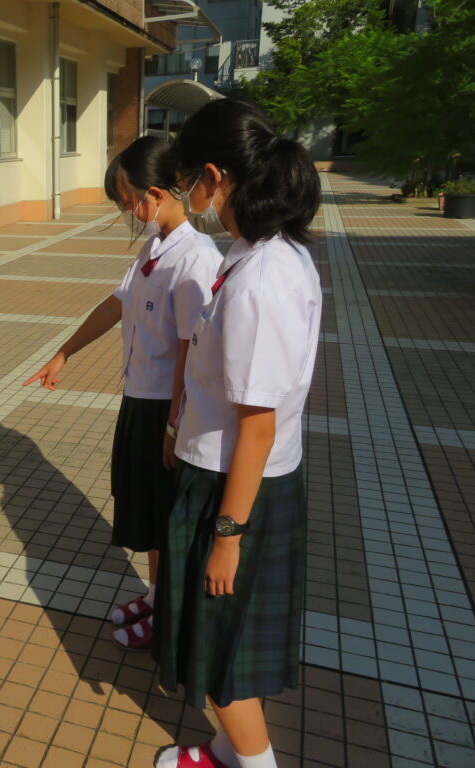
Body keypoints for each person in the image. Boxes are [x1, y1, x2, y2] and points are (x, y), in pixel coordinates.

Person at [152, 99, 322, 768]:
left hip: (236, 488)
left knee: (220, 647)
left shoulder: (261, 282)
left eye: (185, 180)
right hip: (228, 476)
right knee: (218, 638)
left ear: (214, 177)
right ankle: (227, 750)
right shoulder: (259, 251)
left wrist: (228, 537)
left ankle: (254, 761)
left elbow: (257, 428)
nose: (183, 195)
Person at [23, 136, 221, 650]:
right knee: (148, 512)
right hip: (140, 401)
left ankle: (169, 616)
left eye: (127, 201)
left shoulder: (195, 258)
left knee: (164, 515)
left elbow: (190, 352)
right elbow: (117, 303)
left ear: (154, 193)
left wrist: (174, 425)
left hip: (167, 411)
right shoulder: (154, 248)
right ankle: (155, 597)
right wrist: (64, 352)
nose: (127, 213)